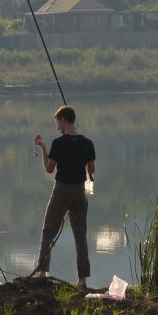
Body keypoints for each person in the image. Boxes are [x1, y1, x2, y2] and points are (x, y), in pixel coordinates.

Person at [33, 104, 96, 287]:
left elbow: (49, 169)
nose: (57, 127)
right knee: (80, 235)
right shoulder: (88, 143)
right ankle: (82, 279)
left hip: (62, 190)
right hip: (80, 191)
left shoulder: (58, 143)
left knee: (48, 232)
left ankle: (43, 273)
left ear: (63, 120)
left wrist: (44, 148)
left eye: (57, 122)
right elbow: (91, 169)